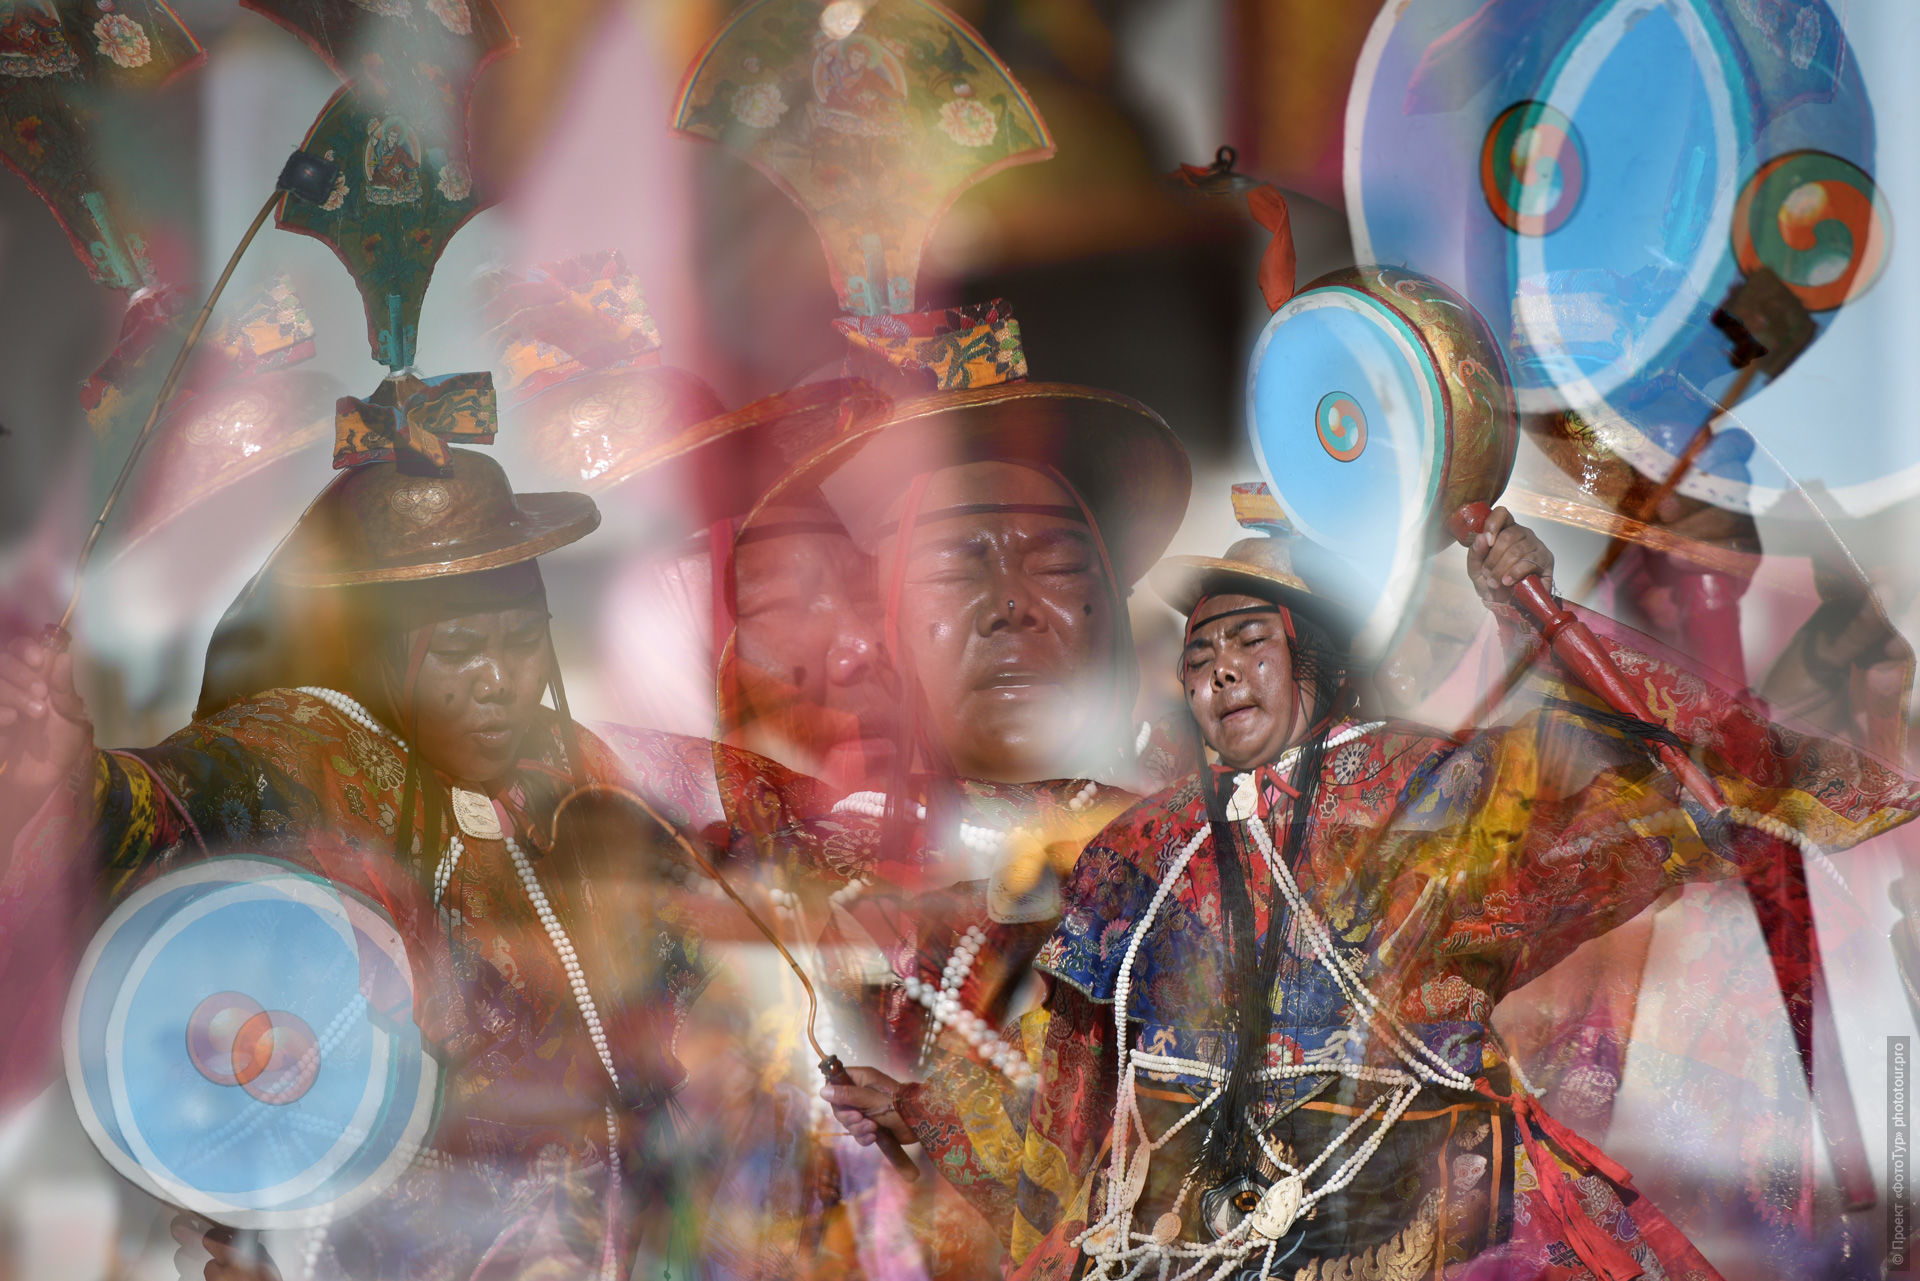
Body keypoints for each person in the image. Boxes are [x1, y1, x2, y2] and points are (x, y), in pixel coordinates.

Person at [825, 504, 1920, 1281]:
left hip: (1433, 1227)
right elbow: (1076, 1107)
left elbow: (1662, 779)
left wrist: (1532, 613)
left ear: (1318, 661)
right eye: (1197, 653)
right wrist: (922, 1112)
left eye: (1248, 640)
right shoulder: (1144, 849)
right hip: (1184, 1242)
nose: (1216, 671)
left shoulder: (1436, 789)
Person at [0, 445, 832, 1281]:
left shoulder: (568, 765)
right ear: (380, 651)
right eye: (460, 648)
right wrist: (64, 779)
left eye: (522, 642)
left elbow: (740, 807)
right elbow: (155, 806)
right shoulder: (313, 748)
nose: (499, 681)